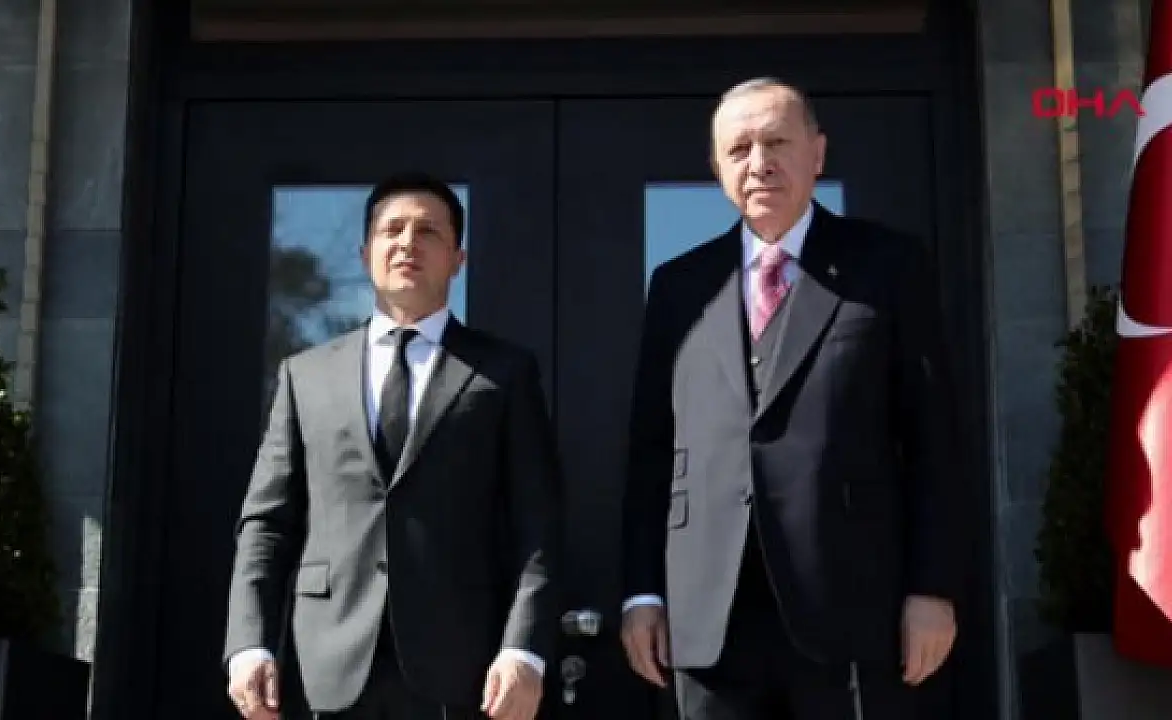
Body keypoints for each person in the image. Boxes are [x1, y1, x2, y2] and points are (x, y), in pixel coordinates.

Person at [619, 77, 964, 719]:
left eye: (777, 142)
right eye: (740, 148)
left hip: (853, 607)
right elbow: (652, 452)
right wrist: (642, 594)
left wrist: (932, 588)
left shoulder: (887, 266)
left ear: (818, 152)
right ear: (717, 168)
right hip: (709, 619)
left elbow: (932, 438)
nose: (759, 163)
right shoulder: (678, 286)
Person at [223, 172, 560, 720]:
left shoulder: (504, 374)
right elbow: (267, 522)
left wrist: (524, 648)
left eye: (427, 232)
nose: (407, 243)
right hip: (326, 664)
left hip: (461, 667)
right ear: (366, 254)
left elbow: (537, 524)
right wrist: (249, 644)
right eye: (392, 230)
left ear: (458, 258)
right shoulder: (306, 375)